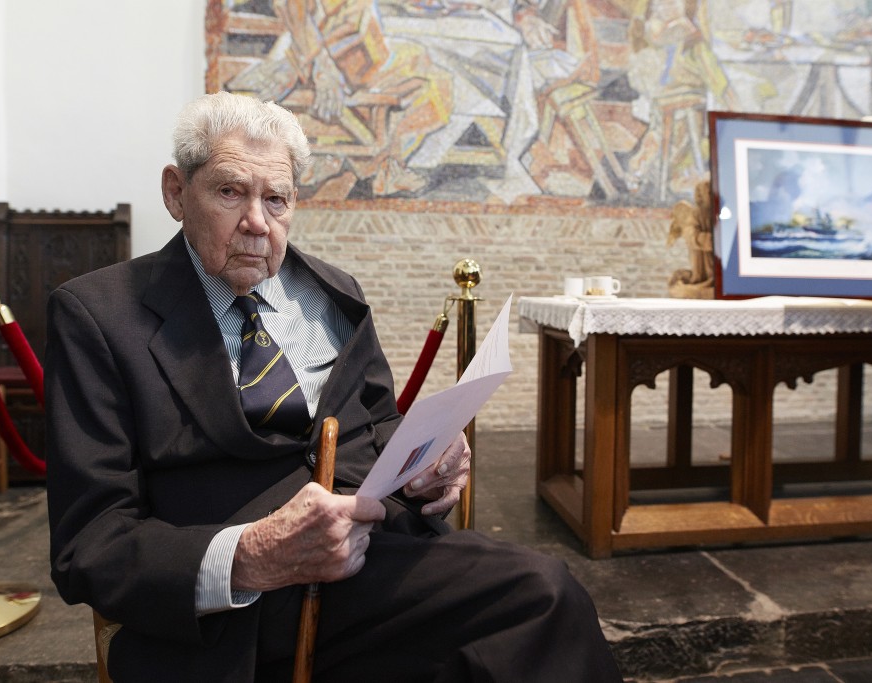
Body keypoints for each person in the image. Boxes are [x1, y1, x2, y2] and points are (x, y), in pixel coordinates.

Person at [45, 91, 622, 682]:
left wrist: (427, 466)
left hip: (373, 560)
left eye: (277, 199)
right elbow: (87, 545)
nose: (256, 222)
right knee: (541, 599)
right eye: (229, 192)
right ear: (176, 192)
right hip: (238, 613)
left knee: (525, 623)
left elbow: (377, 427)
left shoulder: (333, 294)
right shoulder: (99, 316)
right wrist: (253, 555)